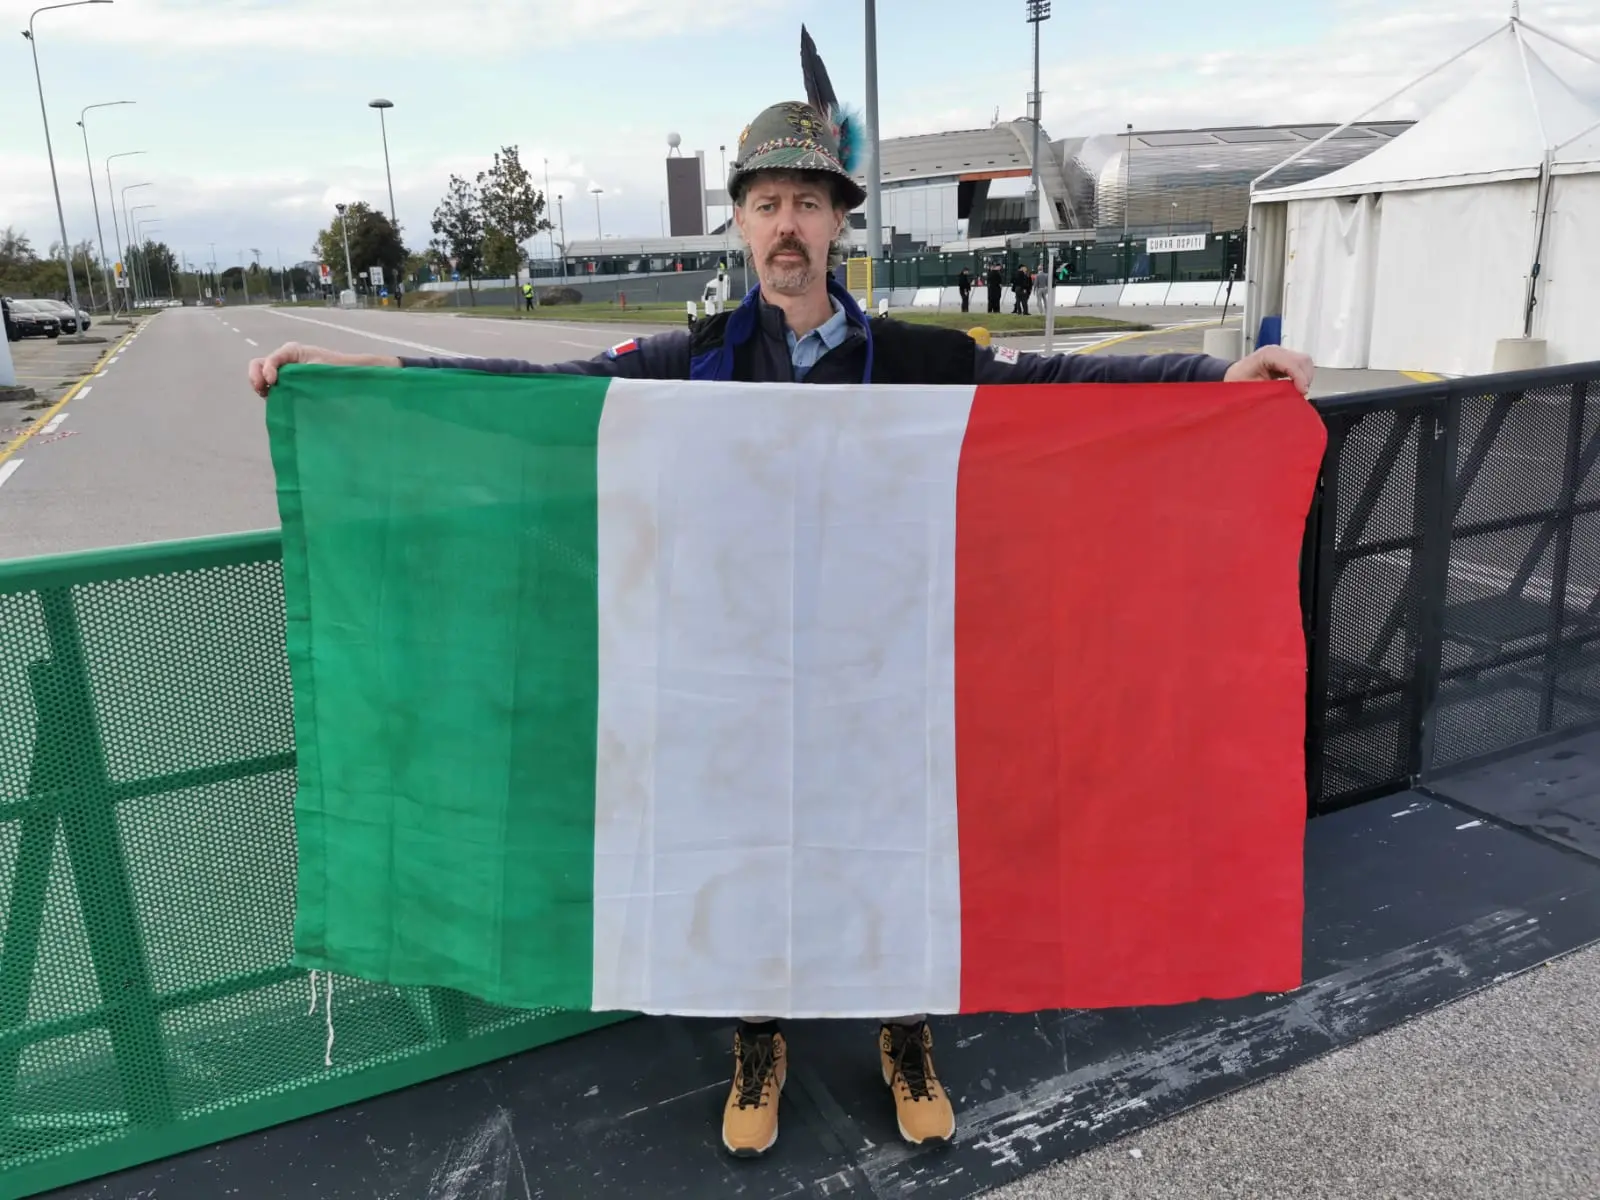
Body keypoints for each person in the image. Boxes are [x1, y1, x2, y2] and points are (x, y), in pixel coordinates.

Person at [247, 98, 1313, 1159]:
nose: (786, 223)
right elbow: (537, 397)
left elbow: (1062, 388)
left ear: (839, 220)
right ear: (743, 225)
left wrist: (1214, 376)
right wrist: (355, 380)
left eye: (807, 200)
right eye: (765, 203)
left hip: (880, 668)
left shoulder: (915, 359)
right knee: (747, 852)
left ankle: (905, 1031)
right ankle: (759, 1039)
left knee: (893, 840)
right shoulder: (690, 363)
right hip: (736, 671)